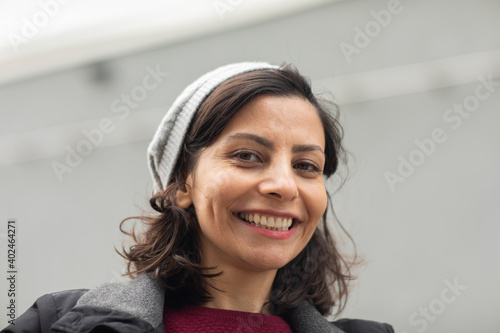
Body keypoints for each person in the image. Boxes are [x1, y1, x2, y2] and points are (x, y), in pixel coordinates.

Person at [3, 62, 394, 332]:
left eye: (306, 166)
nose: (284, 185)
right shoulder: (55, 323)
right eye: (247, 156)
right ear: (181, 185)